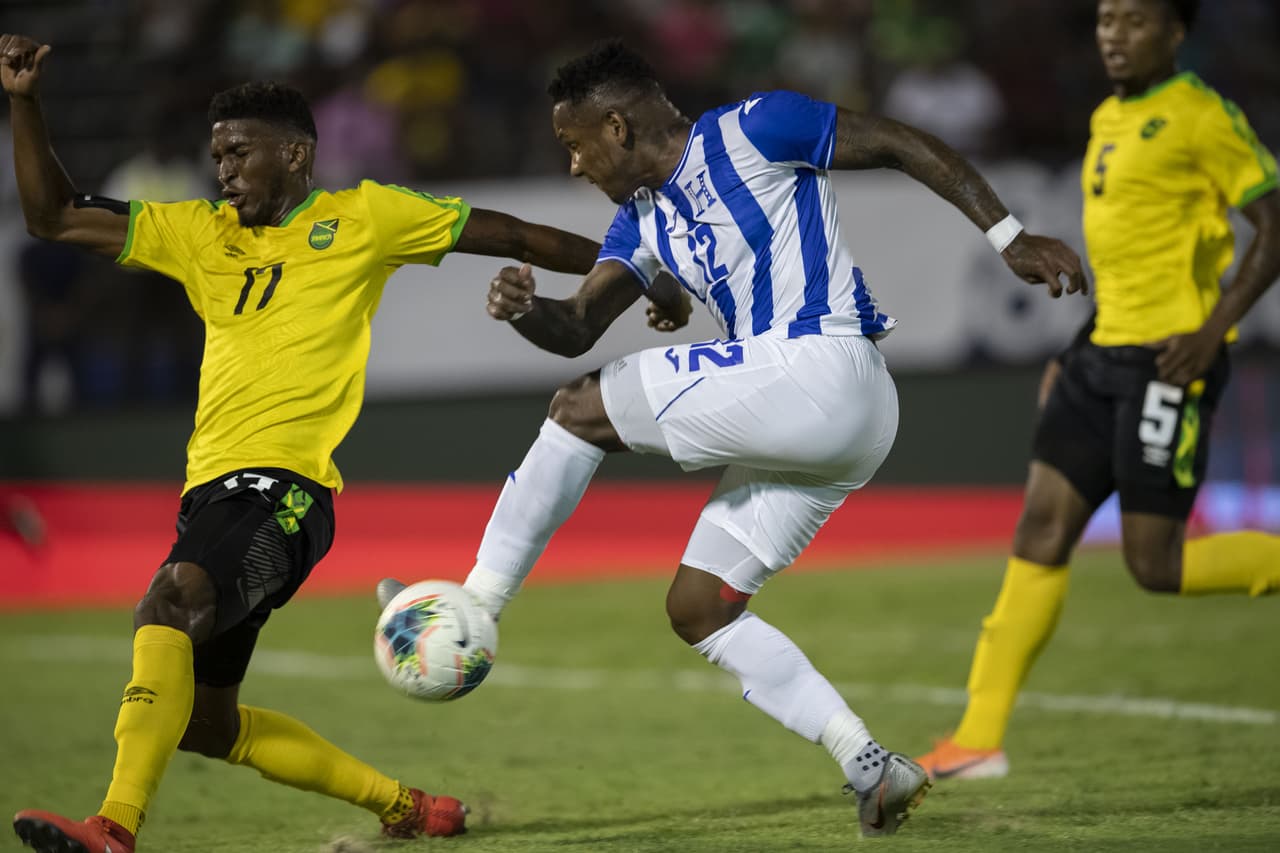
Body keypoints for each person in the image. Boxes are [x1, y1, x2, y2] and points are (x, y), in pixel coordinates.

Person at [378, 40, 1086, 837]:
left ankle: (476, 604)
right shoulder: (639, 220)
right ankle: (870, 763)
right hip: (842, 419)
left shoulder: (756, 128)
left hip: (819, 365)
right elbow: (577, 326)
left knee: (578, 410)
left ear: (616, 128)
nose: (574, 166)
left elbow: (899, 141)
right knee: (699, 607)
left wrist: (1009, 236)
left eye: (574, 145)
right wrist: (525, 309)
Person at [0, 33, 633, 853]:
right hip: (212, 496)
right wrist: (23, 103)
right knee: (204, 722)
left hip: (285, 490)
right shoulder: (198, 232)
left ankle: (113, 829)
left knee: (167, 603)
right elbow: (52, 216)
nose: (223, 171)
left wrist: (640, 268)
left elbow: (518, 235)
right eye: (217, 156)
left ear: (295, 154)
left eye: (238, 153)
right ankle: (409, 806)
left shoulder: (365, 217)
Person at [915, 0, 1280, 781]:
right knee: (1040, 529)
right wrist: (1077, 348)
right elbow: (1128, 266)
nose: (1114, 33)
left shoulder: (1202, 116)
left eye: (1135, 20)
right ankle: (977, 738)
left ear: (1175, 32)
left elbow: (1274, 225)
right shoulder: (1110, 117)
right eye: (1107, 18)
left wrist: (1213, 330)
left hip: (1169, 363)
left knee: (1156, 564)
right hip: (1098, 356)